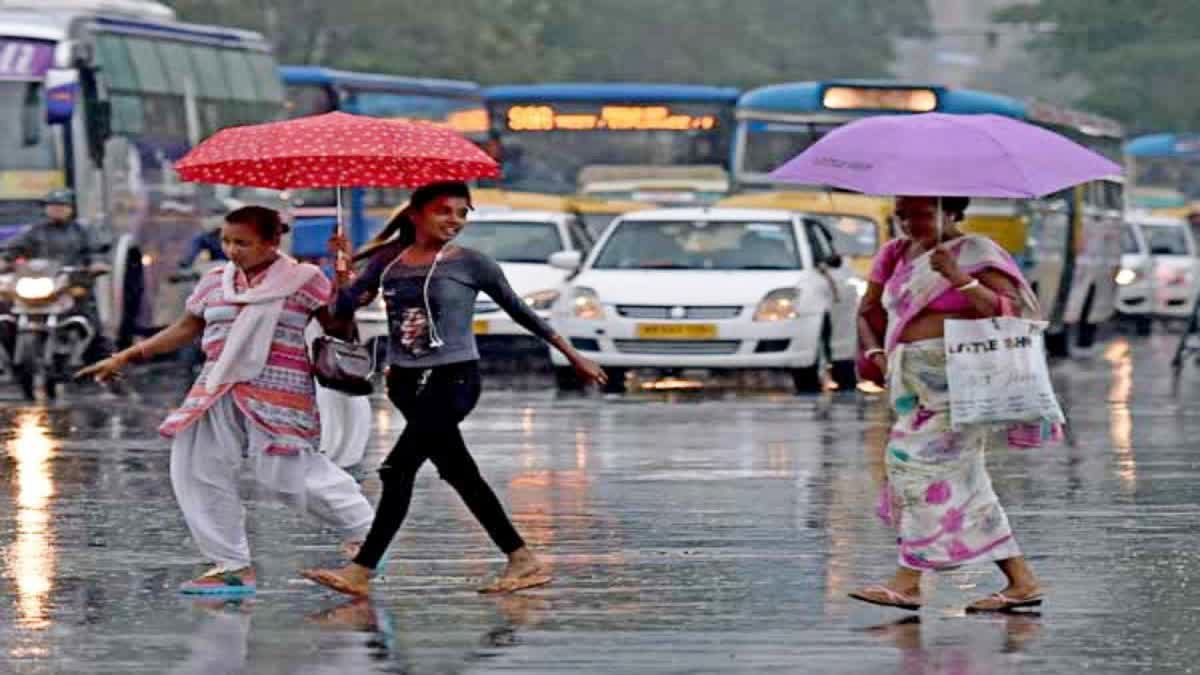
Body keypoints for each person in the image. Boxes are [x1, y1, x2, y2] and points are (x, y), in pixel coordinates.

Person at [300, 181, 607, 597]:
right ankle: (522, 559)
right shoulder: (388, 262)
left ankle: (361, 570)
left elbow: (521, 312)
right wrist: (341, 274)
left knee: (396, 470)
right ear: (416, 214)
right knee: (460, 473)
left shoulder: (471, 263)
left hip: (454, 379)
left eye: (462, 213)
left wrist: (573, 355)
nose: (455, 221)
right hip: (404, 383)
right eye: (445, 211)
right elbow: (340, 313)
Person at [78, 206, 374, 595]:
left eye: (243, 243)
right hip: (216, 386)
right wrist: (125, 357)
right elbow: (187, 327)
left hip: (278, 390)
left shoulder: (306, 280)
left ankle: (368, 533)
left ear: (272, 242)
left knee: (284, 475)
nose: (232, 250)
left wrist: (343, 286)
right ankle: (231, 566)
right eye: (227, 241)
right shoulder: (215, 281)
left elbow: (339, 328)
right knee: (195, 465)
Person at [849, 196, 1051, 613]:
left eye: (922, 213)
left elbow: (1012, 314)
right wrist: (874, 355)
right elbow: (868, 311)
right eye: (902, 214)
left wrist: (959, 278)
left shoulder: (978, 253)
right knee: (965, 483)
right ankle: (1021, 580)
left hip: (964, 386)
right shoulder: (894, 254)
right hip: (910, 386)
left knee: (915, 469)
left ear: (952, 212)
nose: (909, 223)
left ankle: (908, 581)